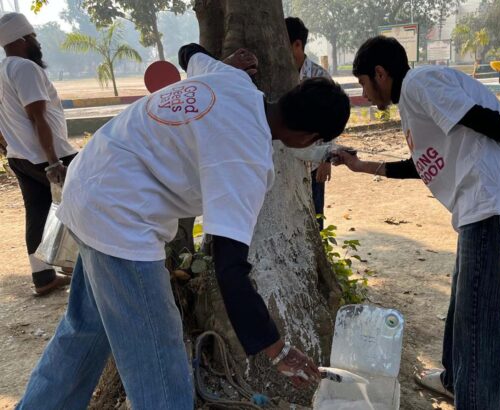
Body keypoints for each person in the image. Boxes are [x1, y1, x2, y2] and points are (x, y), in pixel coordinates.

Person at [17, 44, 350, 409]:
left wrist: (223, 64)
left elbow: (189, 52)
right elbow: (230, 265)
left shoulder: (232, 79)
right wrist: (274, 347)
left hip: (87, 181)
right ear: (308, 138)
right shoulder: (247, 156)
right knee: (161, 360)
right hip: (119, 218)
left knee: (86, 332)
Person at [333, 36, 500, 410]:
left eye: (363, 82)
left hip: (491, 198)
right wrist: (363, 167)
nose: (364, 93)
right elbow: (423, 165)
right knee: (465, 298)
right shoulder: (413, 98)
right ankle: (454, 381)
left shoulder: (420, 83)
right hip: (481, 201)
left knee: (478, 320)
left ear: (380, 73)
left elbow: (481, 118)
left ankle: (475, 400)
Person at [0, 13, 77, 295]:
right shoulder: (25, 68)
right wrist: (54, 160)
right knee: (84, 201)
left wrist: (8, 148)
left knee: (37, 212)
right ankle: (79, 268)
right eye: (33, 37)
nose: (37, 42)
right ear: (21, 39)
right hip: (48, 155)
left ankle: (43, 278)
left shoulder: (2, 69)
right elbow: (37, 117)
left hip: (20, 156)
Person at [286, 17, 333, 230]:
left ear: (297, 44)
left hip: (313, 165)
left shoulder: (319, 78)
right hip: (283, 163)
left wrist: (326, 159)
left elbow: (331, 122)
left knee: (316, 219)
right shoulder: (276, 76)